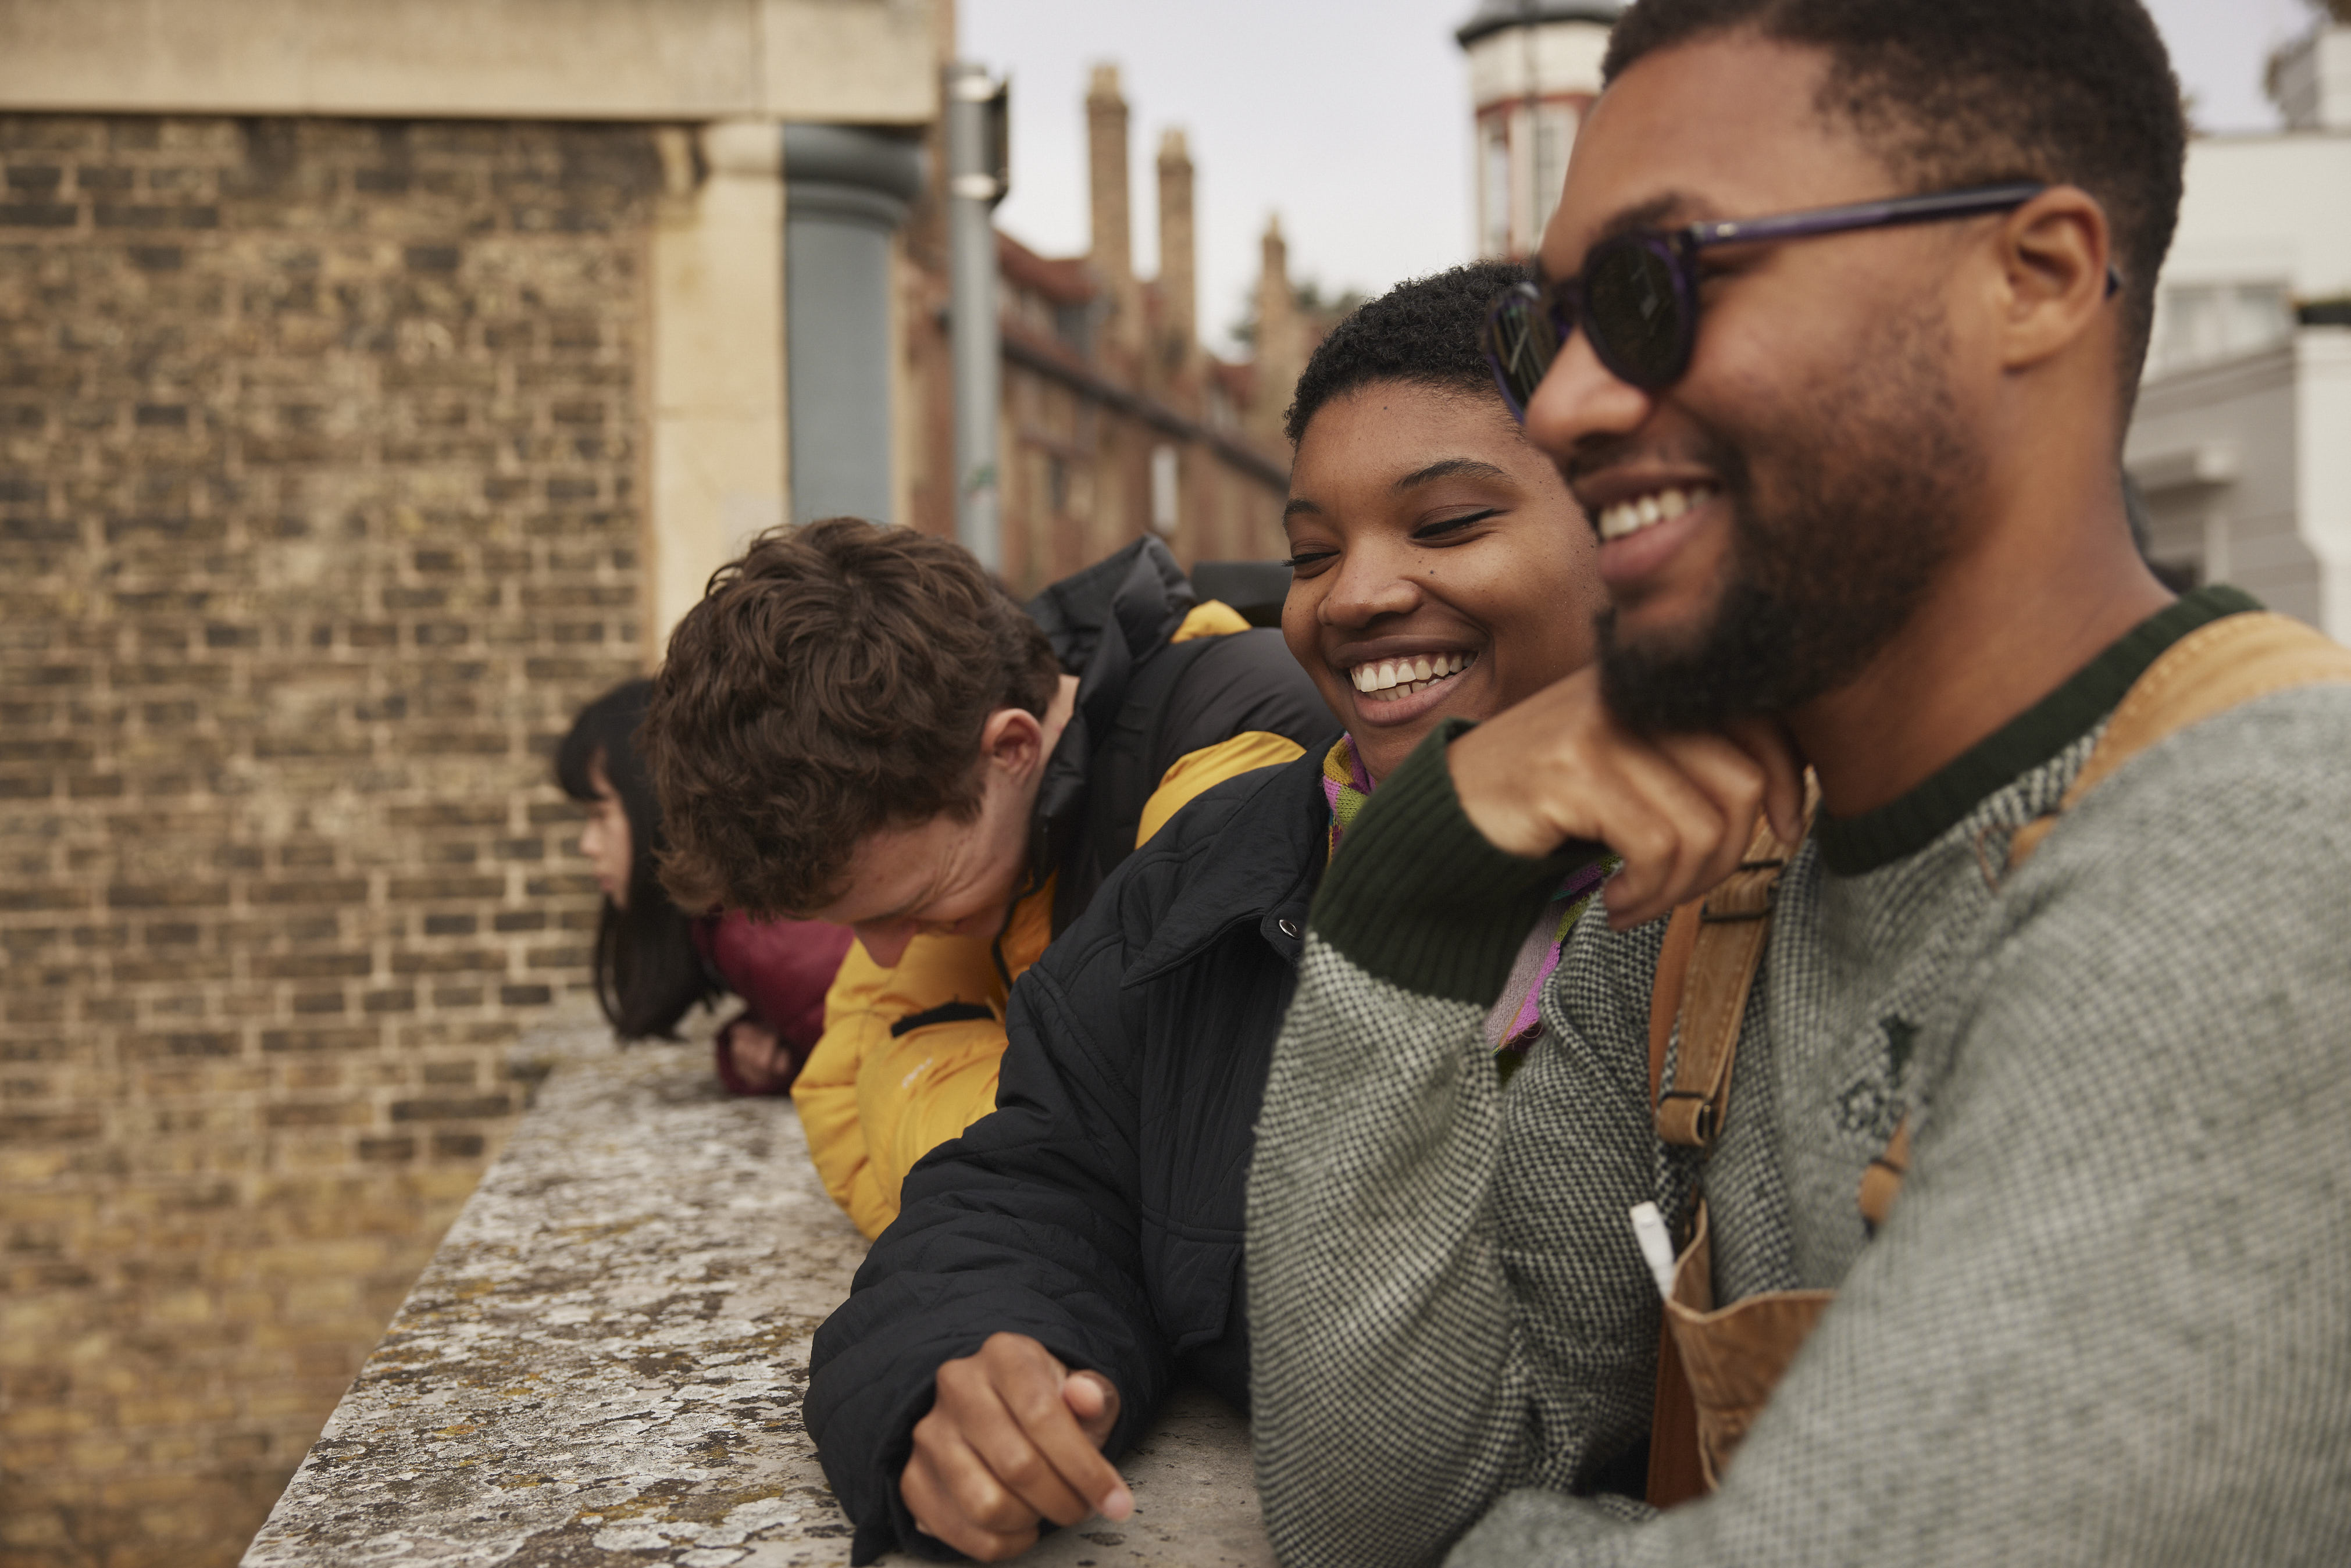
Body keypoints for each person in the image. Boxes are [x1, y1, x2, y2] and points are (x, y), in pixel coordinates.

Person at [1246, 2, 2351, 1566]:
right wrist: (1411, 890)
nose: (1561, 409)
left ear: (2031, 278)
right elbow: (1372, 1517)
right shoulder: (1700, 910)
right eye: (1548, 330)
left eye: (1655, 288)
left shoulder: (2266, 857)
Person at [801, 260, 1618, 1565]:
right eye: (1310, 553)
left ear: (1629, 526)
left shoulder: (1746, 892)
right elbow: (1041, 1180)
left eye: (1448, 522)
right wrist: (969, 1375)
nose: (1352, 594)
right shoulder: (1207, 874)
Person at [641, 520, 1330, 1235]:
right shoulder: (959, 842)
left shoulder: (1237, 749)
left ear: (1010, 749)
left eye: (907, 907)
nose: (883, 954)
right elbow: (838, 1099)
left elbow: (1168, 1153)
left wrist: (928, 1088)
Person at [556, 680, 852, 1090]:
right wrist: (760, 1049)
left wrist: (790, 1063)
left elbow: (884, 1061)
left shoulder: (756, 938)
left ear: (658, 803)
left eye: (600, 815)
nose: (587, 845)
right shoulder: (732, 921)